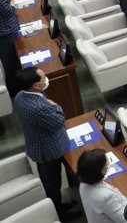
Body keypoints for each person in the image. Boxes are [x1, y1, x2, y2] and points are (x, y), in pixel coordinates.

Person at [13, 67, 74, 218]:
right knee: (53, 185)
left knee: (52, 183)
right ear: (35, 85)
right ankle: (59, 214)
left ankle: (59, 205)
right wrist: (55, 105)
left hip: (39, 144)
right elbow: (58, 121)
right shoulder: (39, 107)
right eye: (43, 77)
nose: (46, 78)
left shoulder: (20, 95)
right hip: (48, 151)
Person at [78, 148, 127, 223]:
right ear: (101, 170)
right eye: (106, 164)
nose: (108, 164)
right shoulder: (105, 197)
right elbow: (124, 220)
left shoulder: (83, 183)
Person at [0, 0, 18, 95]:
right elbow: (8, 11)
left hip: (7, 28)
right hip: (4, 32)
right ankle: (13, 90)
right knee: (9, 63)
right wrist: (12, 3)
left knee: (12, 59)